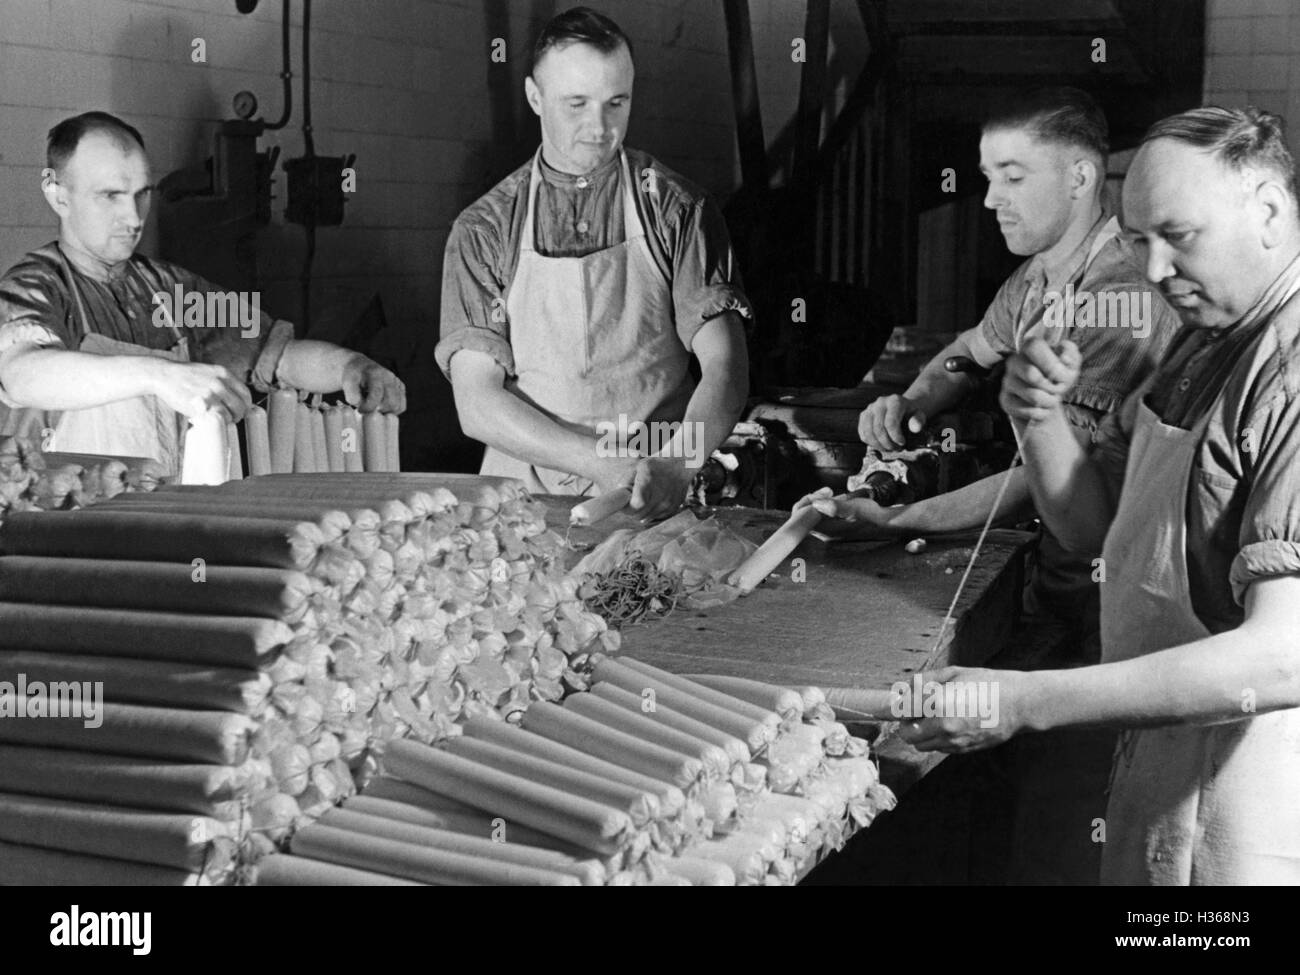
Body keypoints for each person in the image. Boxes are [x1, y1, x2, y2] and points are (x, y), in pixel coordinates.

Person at [910, 106, 1300, 885]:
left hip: (1248, 788)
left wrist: (1028, 700)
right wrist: (1039, 417)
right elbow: (1092, 530)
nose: (1153, 271)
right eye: (1138, 239)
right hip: (1164, 743)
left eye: (1178, 236)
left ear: (1266, 210)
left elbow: (1284, 655)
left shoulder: (1288, 370)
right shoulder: (1206, 336)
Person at [807, 87, 1179, 661]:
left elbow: (1048, 478)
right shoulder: (1036, 278)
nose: (988, 201)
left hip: (1112, 601)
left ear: (1080, 178)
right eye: (987, 177)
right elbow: (969, 352)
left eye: (1012, 178)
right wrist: (913, 402)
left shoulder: (1120, 295)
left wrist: (894, 519)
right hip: (1057, 574)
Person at [436, 6, 749, 521]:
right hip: (525, 495)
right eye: (576, 104)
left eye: (615, 103)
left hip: (659, 485)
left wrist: (679, 461)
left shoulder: (677, 208)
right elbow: (477, 402)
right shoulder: (484, 228)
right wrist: (600, 464)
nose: (599, 127)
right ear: (535, 97)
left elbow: (726, 366)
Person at [0, 112, 404, 476]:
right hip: (62, 536)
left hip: (161, 524)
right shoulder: (35, 288)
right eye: (110, 196)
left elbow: (278, 354)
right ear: (57, 193)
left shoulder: (171, 292)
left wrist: (351, 366)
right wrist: (157, 375)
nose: (133, 217)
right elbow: (20, 375)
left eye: (143, 193)